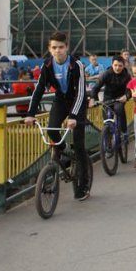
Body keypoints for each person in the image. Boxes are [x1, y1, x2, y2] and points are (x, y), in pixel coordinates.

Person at [25, 32, 90, 201]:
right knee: (52, 131)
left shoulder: (76, 65)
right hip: (60, 100)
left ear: (67, 47)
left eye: (61, 47)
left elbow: (81, 92)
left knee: (79, 144)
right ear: (49, 49)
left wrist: (74, 116)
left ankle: (82, 186)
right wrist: (30, 114)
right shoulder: (46, 66)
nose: (58, 51)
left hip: (78, 103)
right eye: (54, 47)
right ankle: (64, 151)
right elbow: (39, 89)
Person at [90, 56, 132, 138]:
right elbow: (96, 87)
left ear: (123, 66)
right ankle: (107, 141)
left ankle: (123, 133)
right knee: (106, 121)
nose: (117, 68)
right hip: (108, 99)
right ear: (112, 64)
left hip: (120, 99)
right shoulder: (106, 74)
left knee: (119, 109)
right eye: (115, 65)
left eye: (120, 66)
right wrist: (93, 98)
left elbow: (130, 90)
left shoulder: (127, 76)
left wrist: (126, 96)